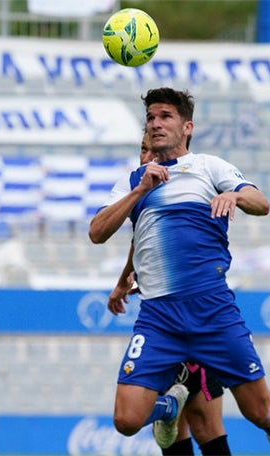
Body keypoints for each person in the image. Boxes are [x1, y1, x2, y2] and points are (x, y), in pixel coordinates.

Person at [90, 87, 270, 456]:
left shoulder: (209, 166)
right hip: (159, 317)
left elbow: (262, 202)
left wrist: (234, 195)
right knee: (126, 420)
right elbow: (97, 232)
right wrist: (139, 191)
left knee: (260, 411)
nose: (155, 124)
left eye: (165, 117)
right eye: (151, 118)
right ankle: (168, 409)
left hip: (212, 311)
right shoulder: (135, 180)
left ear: (187, 127)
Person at [106, 132, 232, 455]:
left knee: (207, 427)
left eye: (153, 150)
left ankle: (171, 408)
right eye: (142, 150)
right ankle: (169, 408)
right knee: (171, 434)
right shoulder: (142, 193)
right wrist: (122, 282)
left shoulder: (192, 187)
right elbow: (138, 242)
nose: (147, 156)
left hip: (198, 319)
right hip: (163, 328)